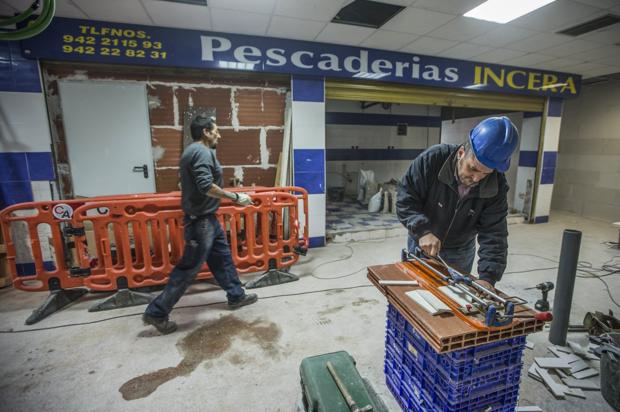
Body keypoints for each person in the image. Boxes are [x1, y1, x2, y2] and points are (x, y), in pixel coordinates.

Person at [143, 115, 258, 334]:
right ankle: (157, 312)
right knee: (188, 269)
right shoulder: (201, 152)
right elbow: (206, 185)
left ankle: (236, 295)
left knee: (222, 258)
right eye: (216, 130)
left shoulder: (196, 152)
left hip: (207, 219)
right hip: (200, 222)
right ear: (205, 131)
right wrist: (235, 197)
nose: (219, 135)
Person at [396, 116, 519, 291]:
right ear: (461, 152)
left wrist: (488, 278)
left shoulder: (496, 186)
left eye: (486, 173)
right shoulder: (433, 159)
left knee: (453, 299)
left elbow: (494, 233)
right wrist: (422, 230)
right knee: (418, 295)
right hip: (423, 243)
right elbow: (406, 199)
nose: (476, 178)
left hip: (460, 250)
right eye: (473, 168)